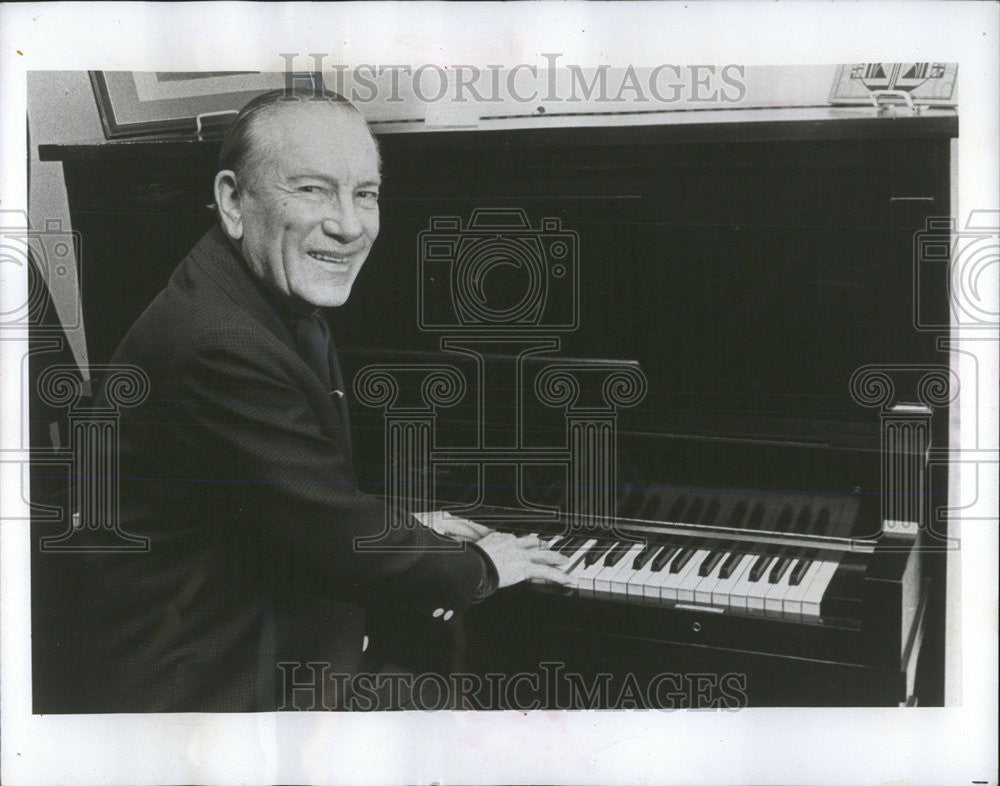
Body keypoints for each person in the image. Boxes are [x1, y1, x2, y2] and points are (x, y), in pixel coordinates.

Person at [79, 88, 569, 712]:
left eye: (365, 193)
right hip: (216, 693)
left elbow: (301, 502)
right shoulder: (219, 342)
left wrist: (404, 527)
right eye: (311, 189)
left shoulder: (256, 292)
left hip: (279, 644)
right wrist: (481, 566)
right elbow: (334, 537)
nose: (349, 224)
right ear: (233, 200)